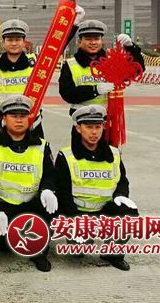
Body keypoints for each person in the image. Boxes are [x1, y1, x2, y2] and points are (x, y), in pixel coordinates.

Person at [54, 105, 139, 271]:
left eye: (98, 127)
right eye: (88, 127)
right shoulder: (66, 156)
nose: (94, 132)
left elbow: (122, 181)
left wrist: (121, 196)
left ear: (103, 128)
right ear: (78, 128)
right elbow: (63, 194)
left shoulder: (114, 154)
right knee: (80, 249)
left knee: (129, 213)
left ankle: (113, 254)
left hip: (104, 209)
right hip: (77, 213)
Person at [0, 95, 57, 271]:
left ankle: (39, 250)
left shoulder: (41, 146)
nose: (19, 120)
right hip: (4, 205)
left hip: (33, 203)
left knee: (54, 205)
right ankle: (0, 237)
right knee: (5, 244)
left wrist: (47, 190)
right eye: (14, 116)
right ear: (4, 119)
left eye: (23, 116)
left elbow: (50, 175)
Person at [0, 6, 84, 138]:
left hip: (34, 127)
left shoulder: (36, 64)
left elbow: (56, 47)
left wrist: (74, 24)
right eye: (10, 40)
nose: (14, 43)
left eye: (18, 39)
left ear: (24, 42)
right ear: (3, 43)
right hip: (7, 128)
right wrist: (1, 121)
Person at [59, 20, 145, 116]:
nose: (93, 42)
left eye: (97, 39)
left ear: (101, 41)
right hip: (81, 120)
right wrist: (95, 90)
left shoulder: (112, 62)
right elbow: (67, 94)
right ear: (79, 42)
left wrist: (130, 47)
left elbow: (137, 70)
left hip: (108, 119)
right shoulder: (70, 64)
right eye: (88, 39)